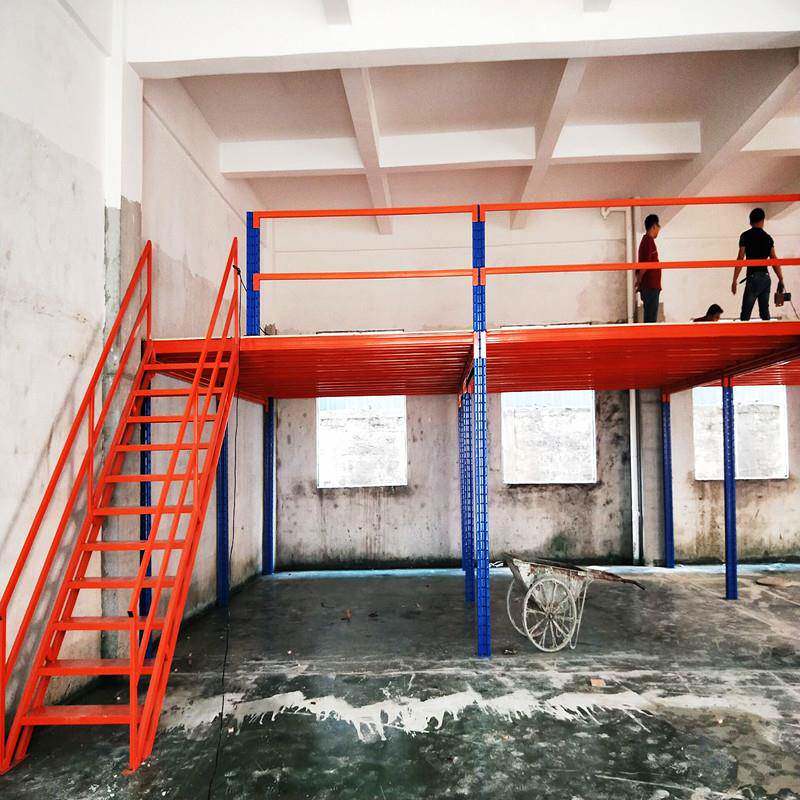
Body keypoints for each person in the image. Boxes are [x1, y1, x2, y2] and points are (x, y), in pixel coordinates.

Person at [731, 207, 786, 321]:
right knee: (765, 312)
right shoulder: (768, 238)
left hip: (753, 277)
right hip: (765, 278)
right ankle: (768, 331)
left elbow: (740, 258)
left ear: (750, 221)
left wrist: (734, 280)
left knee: (745, 313)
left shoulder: (745, 236)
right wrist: (780, 279)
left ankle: (743, 332)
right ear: (762, 220)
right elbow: (774, 259)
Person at [635, 214, 661, 323]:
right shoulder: (648, 241)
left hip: (649, 286)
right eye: (658, 226)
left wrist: (639, 282)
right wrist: (639, 281)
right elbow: (645, 265)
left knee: (650, 317)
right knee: (651, 319)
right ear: (654, 226)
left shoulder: (646, 241)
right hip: (650, 287)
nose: (659, 229)